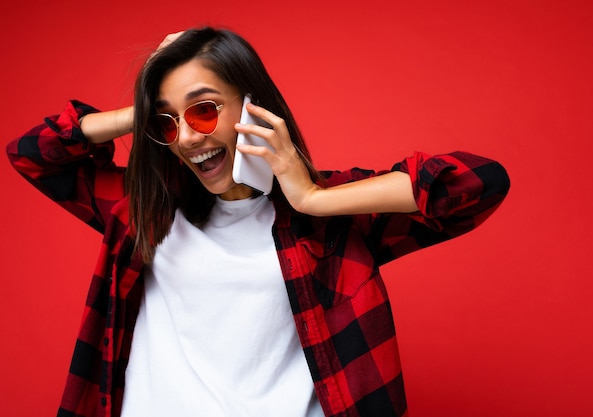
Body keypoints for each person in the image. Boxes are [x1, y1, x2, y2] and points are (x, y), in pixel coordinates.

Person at [6, 27, 510, 417]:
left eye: (204, 110)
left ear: (252, 107)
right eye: (167, 122)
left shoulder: (331, 217)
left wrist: (311, 198)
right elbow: (33, 154)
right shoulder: (144, 211)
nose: (184, 137)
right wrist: (140, 109)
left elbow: (476, 185)